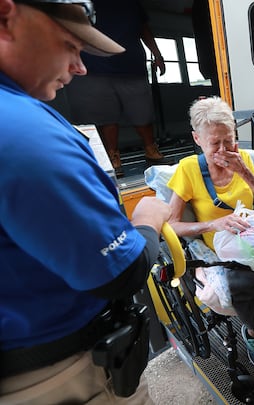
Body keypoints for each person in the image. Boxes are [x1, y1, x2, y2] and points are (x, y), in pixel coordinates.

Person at [0, 1, 171, 403]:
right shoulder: (25, 133)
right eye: (69, 45)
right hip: (57, 374)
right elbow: (120, 273)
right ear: (6, 16)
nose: (80, 67)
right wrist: (147, 220)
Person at [166, 97, 254, 370]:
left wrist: (245, 172)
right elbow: (171, 225)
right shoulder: (188, 169)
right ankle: (253, 333)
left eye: (229, 141)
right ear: (197, 139)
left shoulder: (242, 160)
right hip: (220, 251)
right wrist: (213, 224)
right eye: (214, 143)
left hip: (253, 239)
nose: (223, 150)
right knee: (249, 286)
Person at [65, 0, 170, 177]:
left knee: (142, 112)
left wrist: (158, 55)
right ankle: (114, 159)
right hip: (97, 68)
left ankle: (151, 151)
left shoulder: (133, 4)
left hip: (132, 66)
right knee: (107, 116)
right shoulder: (85, 4)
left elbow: (144, 29)